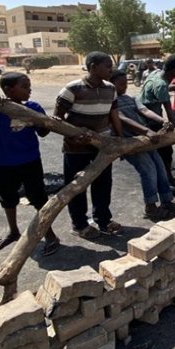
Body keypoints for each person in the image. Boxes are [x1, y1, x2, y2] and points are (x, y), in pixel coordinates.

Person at [0, 72, 61, 256]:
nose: (29, 89)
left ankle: (49, 235)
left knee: (38, 199)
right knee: (8, 198)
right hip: (1, 162)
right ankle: (13, 231)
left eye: (29, 86)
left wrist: (49, 123)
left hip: (29, 161)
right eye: (24, 86)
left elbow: (42, 133)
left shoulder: (33, 107)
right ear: (8, 90)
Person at [54, 52, 123, 239]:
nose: (111, 69)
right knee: (77, 187)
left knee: (103, 184)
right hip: (76, 148)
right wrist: (75, 136)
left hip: (103, 147)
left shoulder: (110, 88)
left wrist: (119, 139)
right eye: (107, 66)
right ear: (93, 67)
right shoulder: (72, 89)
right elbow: (56, 121)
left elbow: (114, 115)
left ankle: (103, 220)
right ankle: (79, 225)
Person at [111, 70, 175, 220]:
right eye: (120, 84)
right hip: (130, 141)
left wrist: (163, 121)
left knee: (159, 166)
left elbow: (144, 110)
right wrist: (146, 130)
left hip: (145, 140)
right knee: (148, 170)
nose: (124, 87)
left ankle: (167, 201)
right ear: (111, 84)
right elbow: (121, 118)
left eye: (125, 83)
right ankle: (151, 207)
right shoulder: (109, 102)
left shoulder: (130, 98)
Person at [138, 55, 175, 182]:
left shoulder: (155, 73)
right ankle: (167, 179)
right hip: (150, 120)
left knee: (158, 152)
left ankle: (164, 178)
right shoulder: (161, 84)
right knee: (166, 151)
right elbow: (168, 108)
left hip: (147, 116)